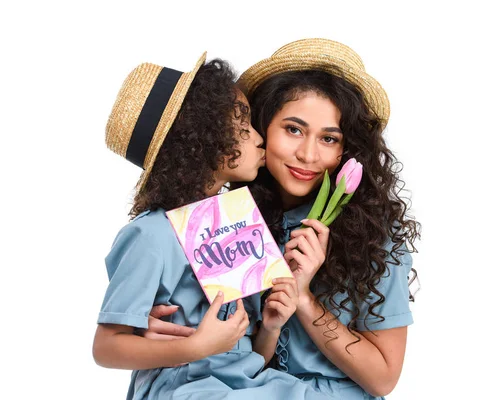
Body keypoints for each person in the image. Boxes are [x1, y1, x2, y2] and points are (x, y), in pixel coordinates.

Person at [145, 38, 420, 399]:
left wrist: (304, 300)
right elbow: (239, 356)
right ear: (260, 130)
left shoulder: (376, 236)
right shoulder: (226, 221)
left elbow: (383, 379)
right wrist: (156, 334)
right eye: (293, 129)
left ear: (346, 151)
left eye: (329, 138)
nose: (307, 154)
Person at [94, 54, 332, 400]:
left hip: (248, 385)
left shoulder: (236, 223)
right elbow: (105, 348)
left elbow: (248, 359)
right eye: (242, 127)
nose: (258, 137)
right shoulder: (151, 234)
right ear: (202, 142)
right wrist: (196, 346)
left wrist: (271, 326)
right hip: (186, 387)